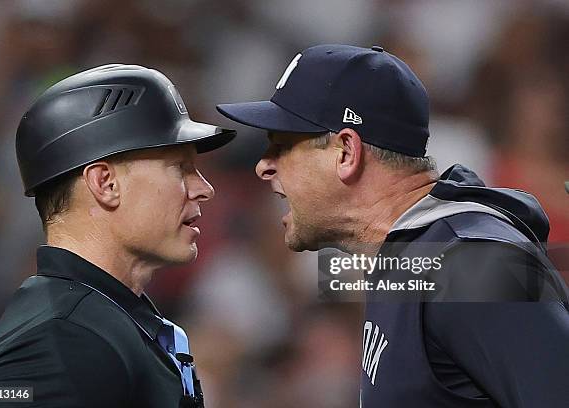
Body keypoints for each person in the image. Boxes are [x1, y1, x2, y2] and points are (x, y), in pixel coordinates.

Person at [216, 44, 569, 407]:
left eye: (282, 146)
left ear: (346, 153)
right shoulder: (412, 258)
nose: (264, 166)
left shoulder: (472, 263)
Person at [0, 64, 235, 407]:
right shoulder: (56, 340)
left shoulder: (99, 321)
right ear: (105, 184)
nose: (204, 188)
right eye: (180, 167)